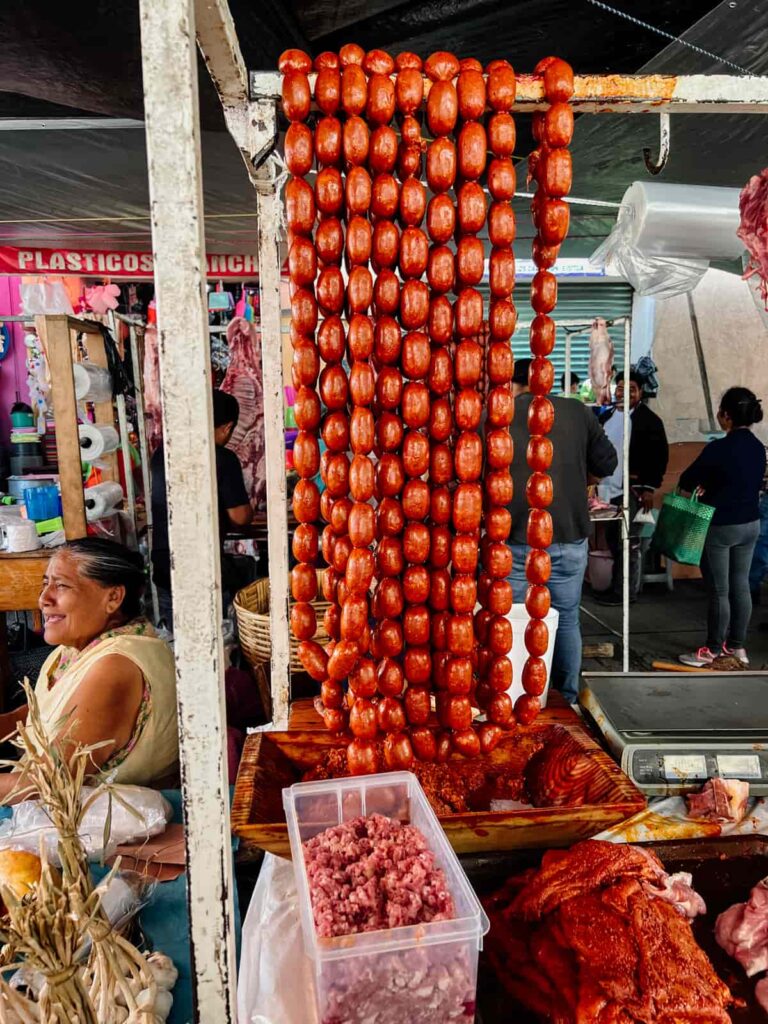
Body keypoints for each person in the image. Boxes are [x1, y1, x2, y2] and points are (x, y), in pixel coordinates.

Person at [0, 539, 178, 799]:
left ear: (113, 597)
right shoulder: (75, 649)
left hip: (108, 827)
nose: (43, 599)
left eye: (61, 585)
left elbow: (50, 780)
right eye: (45, 583)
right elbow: (46, 713)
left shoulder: (115, 666)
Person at [507, 358, 618, 703]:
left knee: (513, 620)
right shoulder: (577, 412)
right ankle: (566, 697)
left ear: (514, 383)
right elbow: (607, 463)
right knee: (566, 617)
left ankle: (514, 698)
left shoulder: (498, 415)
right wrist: (580, 482)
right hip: (569, 534)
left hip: (515, 538)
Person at [678, 387, 766, 667]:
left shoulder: (718, 448)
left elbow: (687, 480)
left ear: (726, 416)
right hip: (751, 524)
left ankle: (712, 649)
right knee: (741, 585)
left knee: (719, 590)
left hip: (721, 526)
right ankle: (737, 647)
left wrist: (708, 486)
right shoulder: (758, 448)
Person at [151, 389, 252, 626]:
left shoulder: (162, 453)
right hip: (203, 570)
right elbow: (240, 516)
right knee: (216, 636)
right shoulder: (222, 458)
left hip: (166, 567)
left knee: (176, 637)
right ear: (227, 427)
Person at [595, 371, 669, 605]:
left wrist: (649, 488)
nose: (624, 393)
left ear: (640, 392)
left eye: (631, 389)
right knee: (614, 541)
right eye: (620, 388)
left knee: (629, 543)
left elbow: (659, 457)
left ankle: (626, 594)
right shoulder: (606, 417)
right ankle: (617, 588)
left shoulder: (650, 421)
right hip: (608, 489)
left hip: (634, 490)